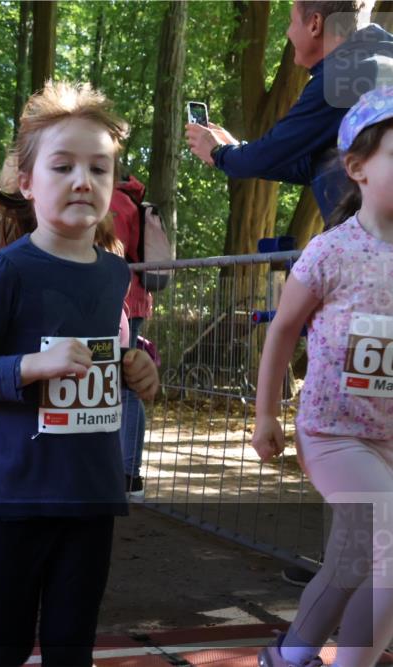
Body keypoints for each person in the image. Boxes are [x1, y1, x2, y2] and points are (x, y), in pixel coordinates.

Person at [0, 81, 160, 667]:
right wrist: (34, 365)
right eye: (63, 166)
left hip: (91, 493)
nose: (83, 180)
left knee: (71, 646)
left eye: (99, 168)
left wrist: (140, 369)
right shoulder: (6, 271)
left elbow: (114, 352)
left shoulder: (115, 274)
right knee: (6, 644)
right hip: (16, 496)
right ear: (27, 183)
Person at [250, 87, 393, 667]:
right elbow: (283, 331)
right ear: (357, 168)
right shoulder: (330, 252)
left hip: (389, 438)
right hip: (334, 432)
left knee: (353, 559)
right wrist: (265, 414)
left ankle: (289, 656)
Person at [185, 1, 393, 219]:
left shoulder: (340, 79)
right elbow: (312, 164)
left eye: (292, 22)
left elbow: (269, 154)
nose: (288, 32)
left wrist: (218, 153)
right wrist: (234, 151)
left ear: (315, 24)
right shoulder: (376, 59)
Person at [110, 174, 154, 495]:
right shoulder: (129, 200)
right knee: (126, 387)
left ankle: (128, 472)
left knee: (126, 387)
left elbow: (112, 253)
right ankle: (126, 470)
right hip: (132, 299)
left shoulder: (114, 203)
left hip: (121, 302)